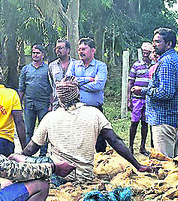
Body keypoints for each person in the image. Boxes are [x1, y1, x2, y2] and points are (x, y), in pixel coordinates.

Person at [21, 76, 151, 182]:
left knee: (41, 164)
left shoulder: (50, 117)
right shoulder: (94, 113)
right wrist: (138, 165)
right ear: (78, 93)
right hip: (85, 176)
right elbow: (115, 141)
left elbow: (32, 149)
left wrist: (17, 159)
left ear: (59, 98)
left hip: (58, 176)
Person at [132, 28, 178, 158]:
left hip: (164, 120)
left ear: (168, 44)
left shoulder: (166, 63)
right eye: (153, 42)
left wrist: (143, 91)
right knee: (172, 162)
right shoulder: (176, 59)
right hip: (172, 119)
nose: (153, 45)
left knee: (164, 164)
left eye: (158, 42)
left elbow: (165, 93)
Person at [65, 37, 108, 152]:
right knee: (77, 138)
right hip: (77, 109)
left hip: (95, 109)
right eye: (79, 49)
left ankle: (100, 163)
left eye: (84, 49)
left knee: (99, 139)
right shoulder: (73, 65)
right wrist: (88, 79)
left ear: (93, 50)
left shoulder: (100, 66)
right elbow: (68, 82)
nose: (80, 52)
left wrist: (77, 84)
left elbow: (98, 85)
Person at [18, 44, 51, 154]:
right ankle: (28, 154)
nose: (35, 55)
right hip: (29, 104)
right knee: (28, 131)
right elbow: (21, 87)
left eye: (38, 53)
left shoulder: (48, 69)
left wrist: (51, 104)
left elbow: (52, 87)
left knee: (43, 130)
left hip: (43, 104)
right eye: (33, 53)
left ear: (43, 55)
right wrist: (19, 104)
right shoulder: (26, 69)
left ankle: (43, 154)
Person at [127, 42, 155, 155]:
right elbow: (130, 82)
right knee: (134, 123)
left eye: (147, 53)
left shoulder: (154, 65)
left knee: (145, 123)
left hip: (149, 99)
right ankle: (130, 147)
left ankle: (142, 147)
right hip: (136, 99)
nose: (145, 55)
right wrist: (128, 99)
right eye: (143, 52)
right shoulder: (136, 65)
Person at [47, 39, 72, 111]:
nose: (58, 50)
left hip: (72, 103)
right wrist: (51, 104)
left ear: (68, 50)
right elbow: (51, 86)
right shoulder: (52, 66)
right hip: (57, 104)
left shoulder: (76, 64)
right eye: (56, 48)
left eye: (60, 48)